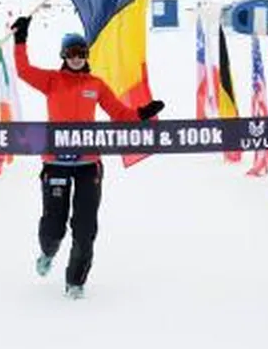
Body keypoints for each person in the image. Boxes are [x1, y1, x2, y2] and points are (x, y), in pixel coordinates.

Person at [10, 15, 164, 299]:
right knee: (54, 226)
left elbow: (119, 114)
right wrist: (20, 39)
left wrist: (142, 113)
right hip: (55, 162)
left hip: (87, 165)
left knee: (85, 227)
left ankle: (76, 282)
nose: (77, 58)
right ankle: (47, 252)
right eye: (71, 53)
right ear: (63, 56)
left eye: (81, 53)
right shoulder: (52, 80)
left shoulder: (96, 84)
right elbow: (22, 70)